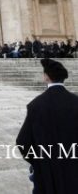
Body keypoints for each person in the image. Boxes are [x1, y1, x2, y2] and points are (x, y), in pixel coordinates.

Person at [16, 59, 78, 194]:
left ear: (46, 77)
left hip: (45, 169)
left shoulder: (36, 105)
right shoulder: (76, 102)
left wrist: (37, 161)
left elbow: (22, 141)